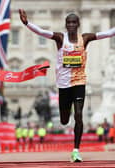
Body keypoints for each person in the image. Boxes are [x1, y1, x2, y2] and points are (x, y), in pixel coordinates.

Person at [19, 9, 115, 162]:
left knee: (79, 115)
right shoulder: (60, 38)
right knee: (64, 120)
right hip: (63, 85)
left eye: (74, 22)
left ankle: (76, 150)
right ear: (66, 24)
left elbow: (107, 33)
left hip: (79, 82)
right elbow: (42, 32)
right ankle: (67, 113)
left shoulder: (85, 38)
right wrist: (27, 23)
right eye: (68, 22)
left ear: (78, 24)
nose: (71, 24)